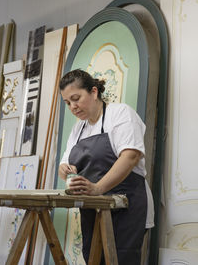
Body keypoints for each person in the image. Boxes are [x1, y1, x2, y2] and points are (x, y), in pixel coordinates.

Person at [58, 69, 154, 265]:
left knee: (120, 259)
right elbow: (64, 163)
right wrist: (64, 169)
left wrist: (98, 188)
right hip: (93, 209)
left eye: (76, 98)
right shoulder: (79, 128)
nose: (73, 107)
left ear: (94, 92)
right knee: (94, 259)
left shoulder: (120, 114)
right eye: (68, 103)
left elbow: (130, 156)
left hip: (126, 205)